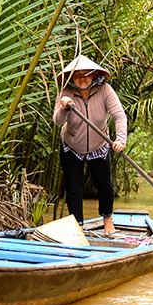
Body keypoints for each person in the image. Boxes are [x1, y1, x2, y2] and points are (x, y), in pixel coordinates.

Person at [53, 55, 127, 235]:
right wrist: (64, 108)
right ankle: (78, 226)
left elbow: (119, 115)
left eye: (86, 74)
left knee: (105, 185)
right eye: (77, 75)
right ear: (71, 78)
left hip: (99, 145)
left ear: (94, 75)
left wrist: (121, 140)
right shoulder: (66, 92)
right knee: (73, 187)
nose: (82, 78)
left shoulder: (105, 90)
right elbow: (57, 121)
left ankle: (107, 219)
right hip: (71, 145)